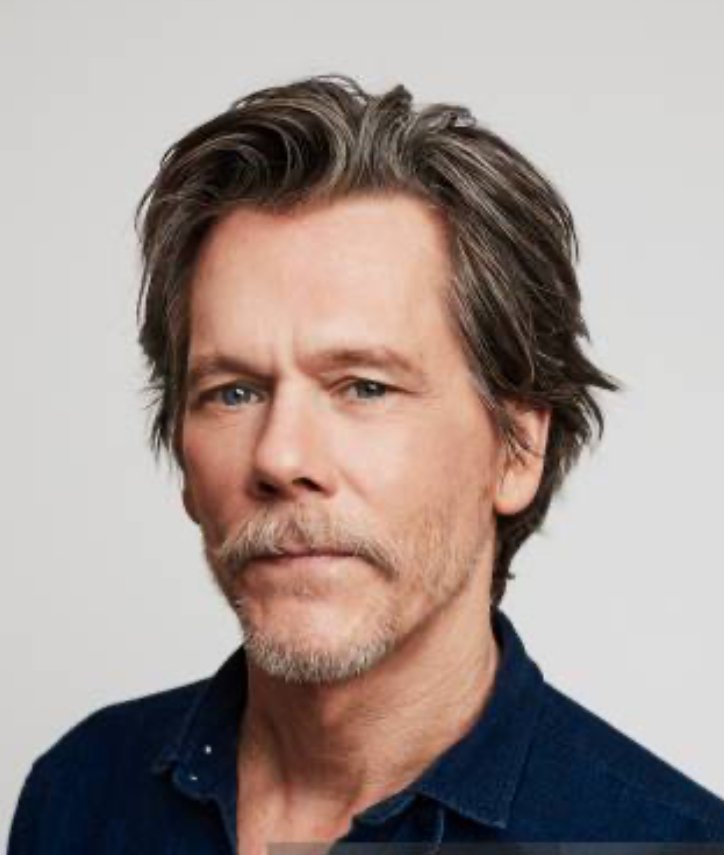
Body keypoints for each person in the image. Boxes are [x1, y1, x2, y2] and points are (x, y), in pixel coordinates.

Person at [9, 75, 724, 853]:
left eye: (365, 386)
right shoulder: (81, 793)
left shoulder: (666, 842)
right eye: (234, 391)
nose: (280, 456)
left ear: (517, 448)